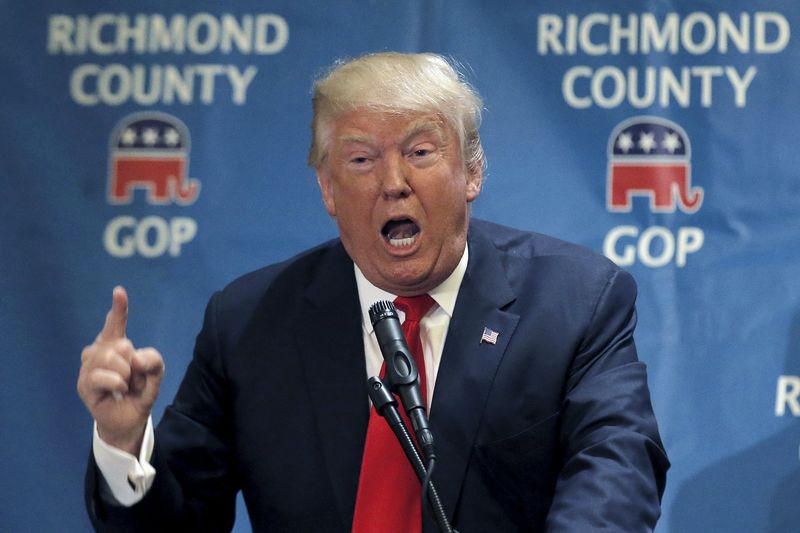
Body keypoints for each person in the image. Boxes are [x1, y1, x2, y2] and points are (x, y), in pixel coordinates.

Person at [78, 52, 669, 532]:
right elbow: (177, 523)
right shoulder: (250, 322)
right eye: (361, 159)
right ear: (328, 190)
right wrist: (124, 442)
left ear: (473, 171)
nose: (393, 184)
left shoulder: (574, 300)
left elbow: (617, 469)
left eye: (420, 152)